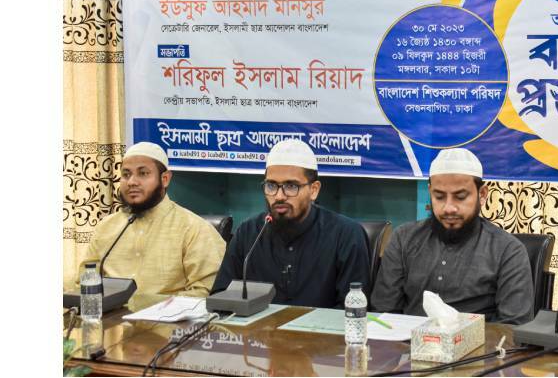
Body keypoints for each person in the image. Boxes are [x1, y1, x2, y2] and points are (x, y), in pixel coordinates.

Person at [371, 148, 534, 324]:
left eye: (460, 197)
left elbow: (513, 328)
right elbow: (383, 313)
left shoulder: (508, 250)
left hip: (479, 341)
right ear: (430, 192)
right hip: (407, 340)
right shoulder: (403, 239)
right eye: (439, 196)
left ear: (482, 195)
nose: (449, 208)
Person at [212, 139, 369, 308]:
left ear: (314, 190)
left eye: (291, 186)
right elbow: (222, 298)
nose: (279, 196)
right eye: (271, 186)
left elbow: (353, 309)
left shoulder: (345, 235)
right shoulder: (249, 232)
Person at [79, 142, 226, 297]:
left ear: (165, 179)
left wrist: (152, 306)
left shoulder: (194, 229)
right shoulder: (106, 227)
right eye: (126, 174)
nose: (132, 182)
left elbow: (206, 293)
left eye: (143, 173)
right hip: (110, 313)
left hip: (169, 313)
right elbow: (85, 282)